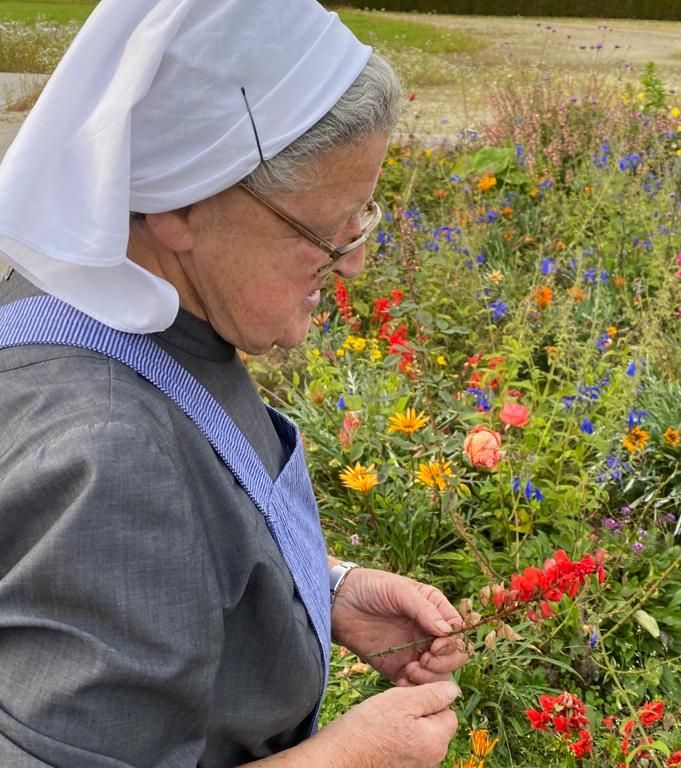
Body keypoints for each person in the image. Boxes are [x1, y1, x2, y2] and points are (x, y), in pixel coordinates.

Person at [0, 1, 468, 766]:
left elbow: (106, 570)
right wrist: (345, 760)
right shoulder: (112, 452)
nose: (352, 261)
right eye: (328, 231)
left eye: (364, 219)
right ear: (182, 204)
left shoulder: (81, 306)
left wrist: (320, 589)